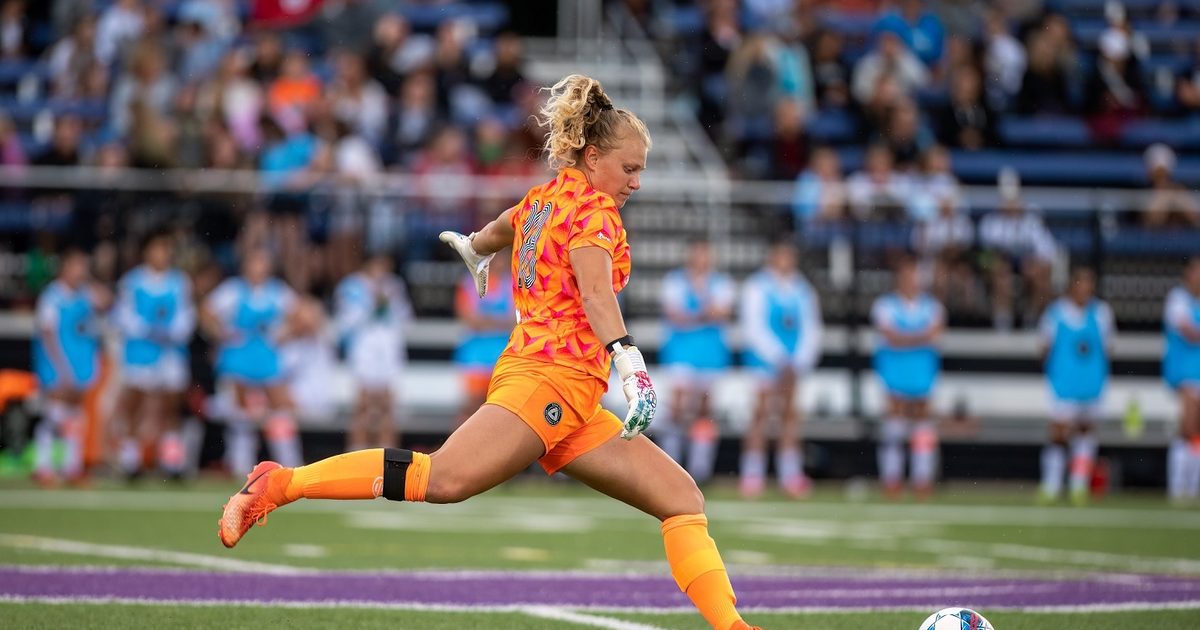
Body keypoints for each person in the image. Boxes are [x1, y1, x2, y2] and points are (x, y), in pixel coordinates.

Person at [217, 74, 762, 630]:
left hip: (565, 388)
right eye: (629, 168)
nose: (637, 182)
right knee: (444, 479)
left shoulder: (543, 199)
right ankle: (279, 484)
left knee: (681, 497)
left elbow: (503, 227)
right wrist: (632, 365)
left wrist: (476, 249)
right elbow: (597, 294)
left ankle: (735, 627)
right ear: (593, 157)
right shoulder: (596, 212)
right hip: (550, 379)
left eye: (641, 170)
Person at [201, 248, 304, 476]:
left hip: (267, 360)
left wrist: (284, 333)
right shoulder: (234, 291)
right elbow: (207, 312)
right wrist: (221, 333)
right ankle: (241, 467)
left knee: (281, 409)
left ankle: (290, 465)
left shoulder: (277, 292)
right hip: (238, 360)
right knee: (241, 414)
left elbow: (300, 315)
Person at [739, 239, 822, 499]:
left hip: (792, 365)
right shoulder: (757, 287)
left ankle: (790, 475)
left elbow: (811, 328)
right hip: (763, 362)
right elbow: (753, 327)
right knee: (761, 415)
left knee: (789, 416)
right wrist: (778, 357)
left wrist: (799, 360)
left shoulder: (802, 289)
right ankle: (752, 475)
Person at [113, 229, 195, 480]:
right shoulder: (132, 282)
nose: (163, 254)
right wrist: (150, 329)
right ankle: (131, 460)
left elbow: (186, 317)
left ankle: (171, 462)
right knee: (134, 404)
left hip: (170, 353)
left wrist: (171, 332)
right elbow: (123, 317)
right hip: (140, 353)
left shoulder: (179, 282)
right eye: (158, 248)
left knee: (170, 406)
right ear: (147, 252)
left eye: (166, 249)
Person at [657, 238, 735, 484]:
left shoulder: (722, 283)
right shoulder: (675, 281)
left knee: (704, 409)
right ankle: (670, 465)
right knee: (677, 408)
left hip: (710, 354)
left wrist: (695, 315)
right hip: (681, 352)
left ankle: (699, 469)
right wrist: (706, 314)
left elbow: (720, 313)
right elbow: (676, 315)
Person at [32, 248, 110, 486]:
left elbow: (107, 301)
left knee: (74, 417)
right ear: (65, 267)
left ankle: (71, 467)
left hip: (81, 364)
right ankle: (43, 466)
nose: (80, 271)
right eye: (76, 266)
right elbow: (47, 334)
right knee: (55, 415)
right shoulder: (52, 296)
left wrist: (90, 281)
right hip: (57, 364)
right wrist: (59, 367)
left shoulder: (84, 294)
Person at [1037, 267, 1113, 506]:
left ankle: (1079, 485)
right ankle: (1051, 485)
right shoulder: (1055, 313)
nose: (1084, 288)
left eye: (1089, 283)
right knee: (1058, 433)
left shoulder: (1101, 313)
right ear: (1072, 285)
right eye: (1080, 283)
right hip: (1063, 383)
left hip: (1091, 383)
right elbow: (1043, 348)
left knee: (1085, 432)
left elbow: (1109, 347)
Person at [872, 256, 945, 500]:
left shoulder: (933, 306)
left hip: (923, 371)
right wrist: (919, 337)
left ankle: (922, 478)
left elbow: (933, 334)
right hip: (893, 371)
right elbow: (892, 337)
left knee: (922, 421)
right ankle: (892, 479)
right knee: (895, 420)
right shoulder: (885, 305)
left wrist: (906, 338)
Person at [334, 253, 413, 449]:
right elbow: (345, 323)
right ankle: (356, 454)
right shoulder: (350, 286)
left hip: (388, 350)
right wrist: (371, 303)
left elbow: (405, 319)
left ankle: (388, 458)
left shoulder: (394, 286)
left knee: (388, 407)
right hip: (364, 350)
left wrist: (391, 303)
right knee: (363, 407)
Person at [452, 253, 514, 428]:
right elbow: (468, 319)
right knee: (471, 405)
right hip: (475, 354)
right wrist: (499, 322)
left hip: (503, 353)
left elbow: (515, 321)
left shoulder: (513, 282)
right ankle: (460, 449)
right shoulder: (469, 282)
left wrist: (484, 321)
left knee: (502, 407)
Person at [1163, 258, 1200, 502]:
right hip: (1186, 373)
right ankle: (1178, 488)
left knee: (1196, 431)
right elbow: (1189, 332)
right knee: (1188, 427)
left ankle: (1193, 487)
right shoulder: (1177, 299)